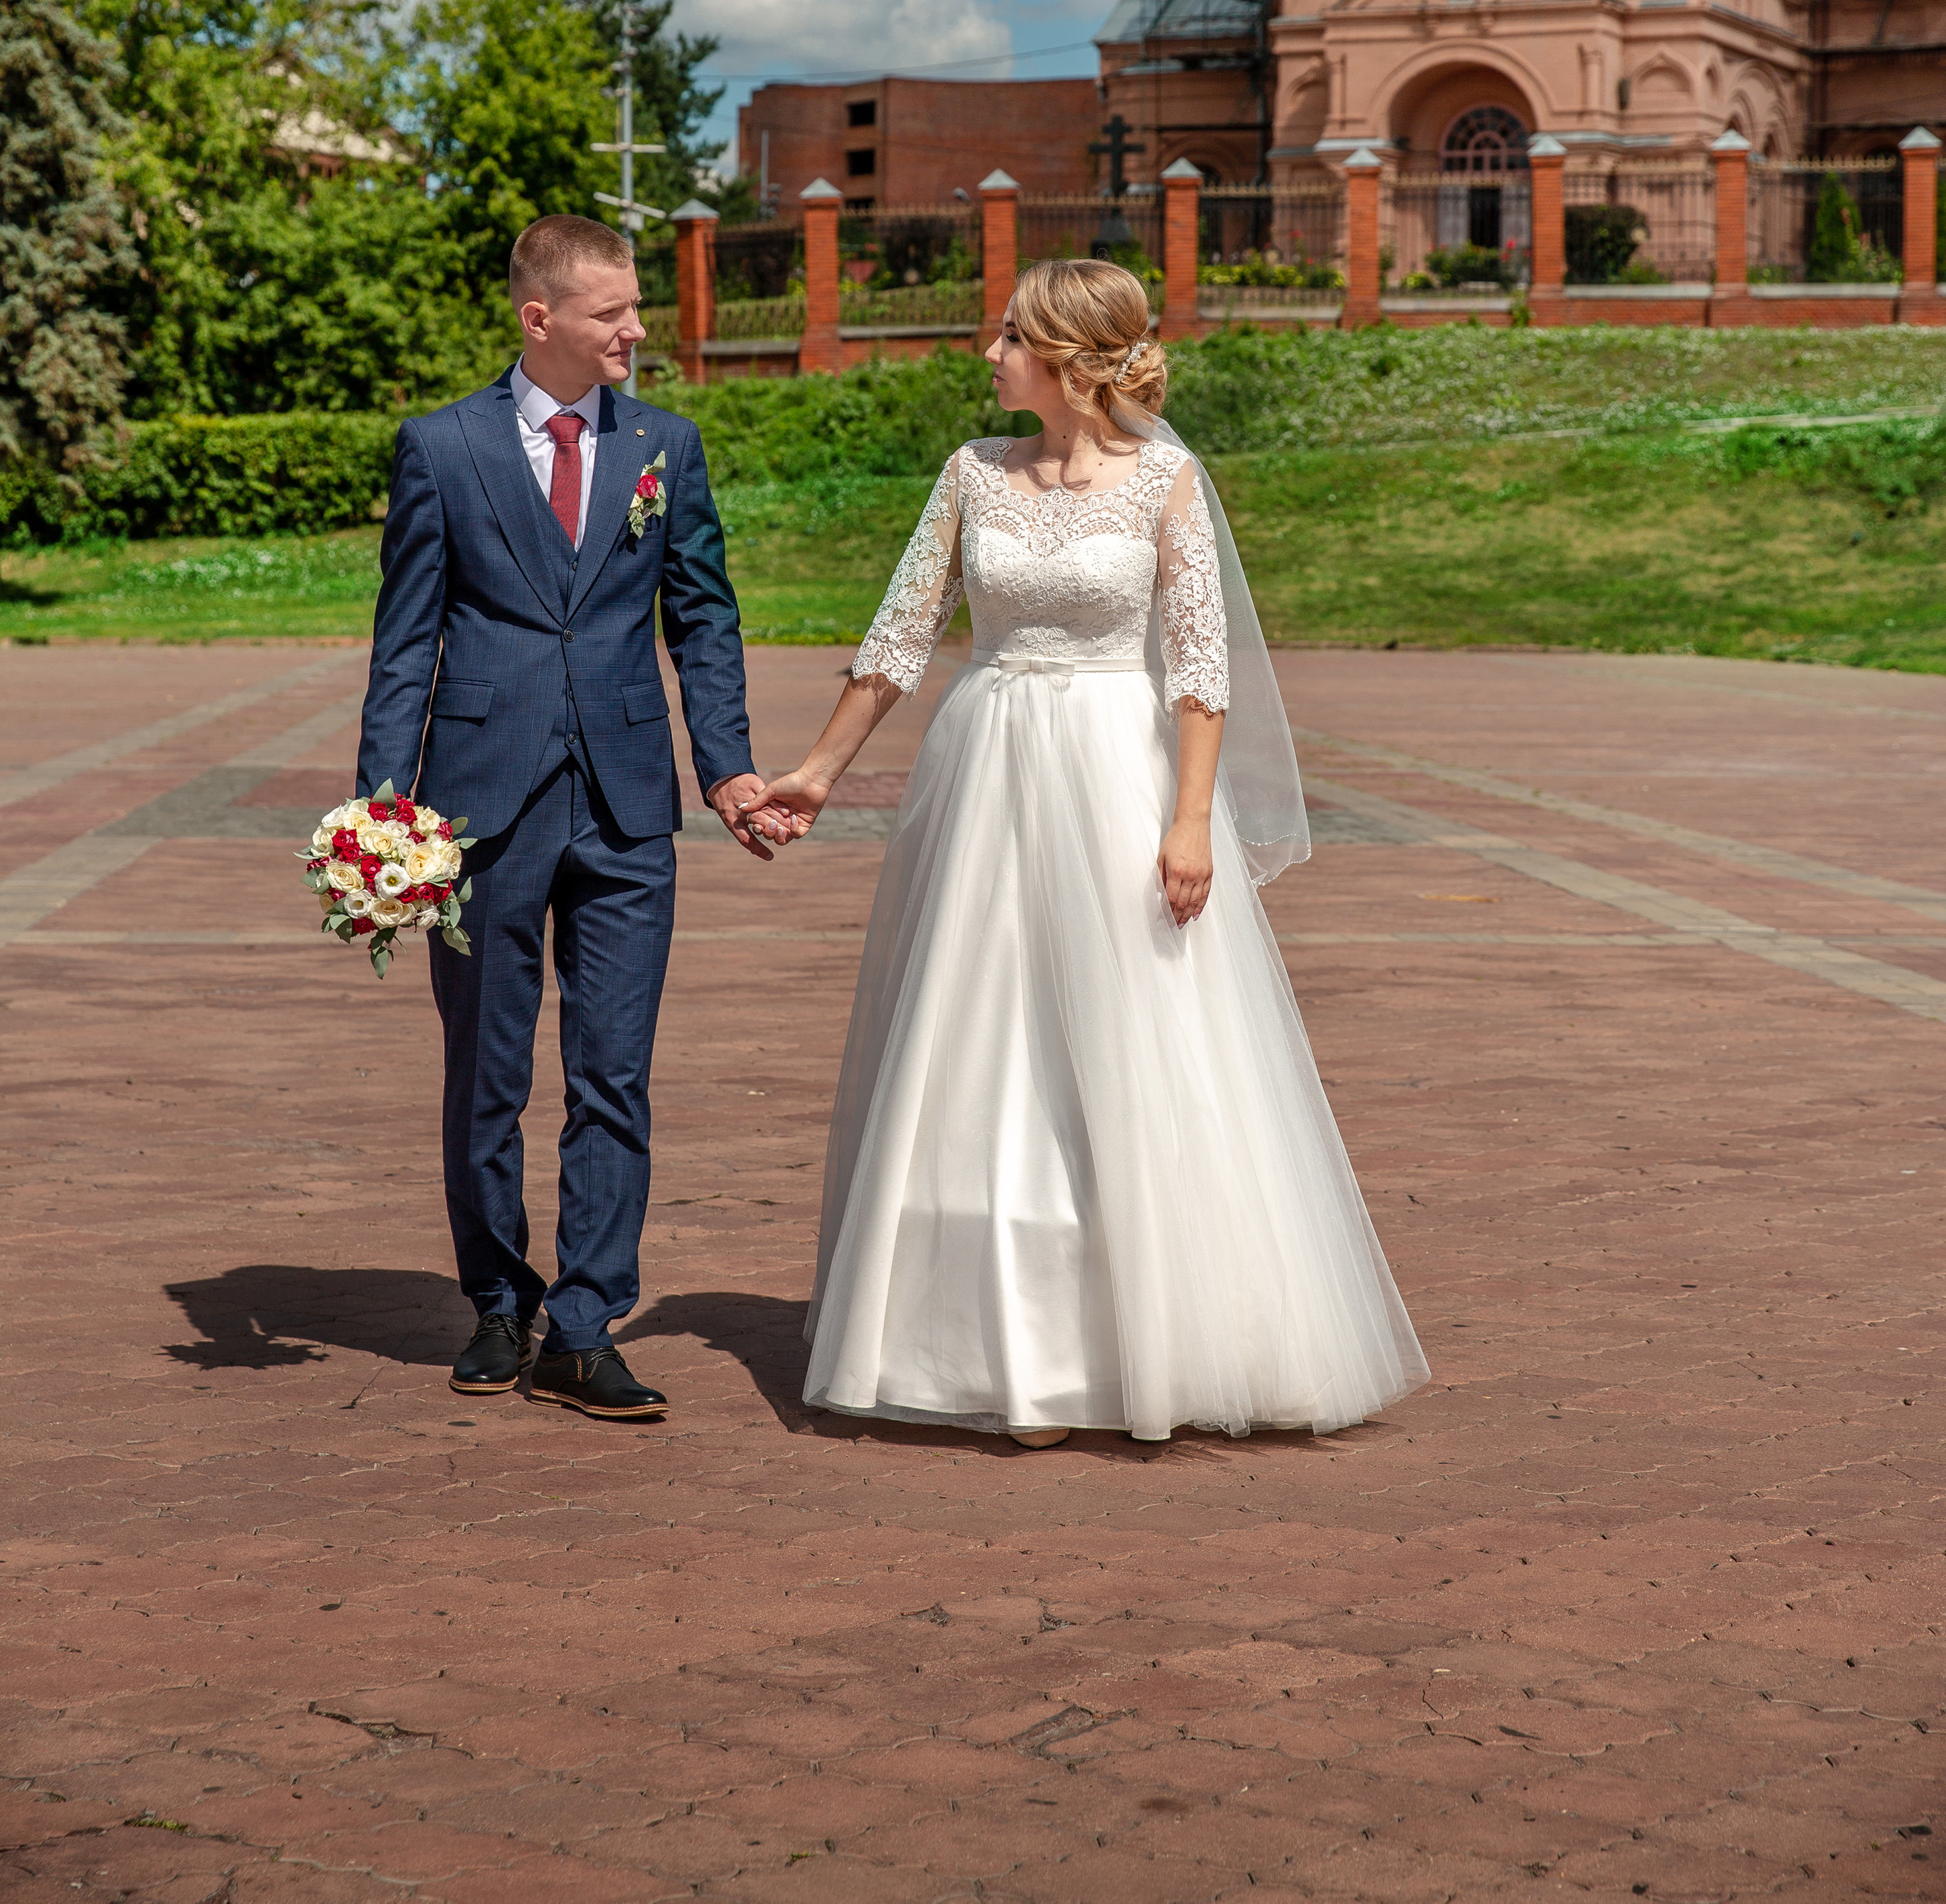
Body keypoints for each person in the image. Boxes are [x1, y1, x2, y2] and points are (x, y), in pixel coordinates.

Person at [746, 258, 1428, 1446]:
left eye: (1008, 335)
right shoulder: (972, 475)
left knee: (1131, 1042)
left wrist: (1188, 821)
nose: (987, 352)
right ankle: (995, 1348)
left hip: (1117, 770)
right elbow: (900, 640)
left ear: (1064, 359)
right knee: (981, 1039)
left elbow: (1202, 671)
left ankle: (1156, 1337)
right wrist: (817, 770)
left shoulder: (1168, 481)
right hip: (987, 769)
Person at [356, 214, 785, 1421]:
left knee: (613, 1073)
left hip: (627, 804)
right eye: (614, 314)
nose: (637, 331)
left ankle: (587, 1323)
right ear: (538, 320)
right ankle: (499, 1301)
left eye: (636, 308)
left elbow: (704, 616)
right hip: (479, 807)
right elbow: (406, 646)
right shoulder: (441, 450)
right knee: (486, 1076)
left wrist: (728, 769)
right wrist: (384, 816)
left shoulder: (665, 446)